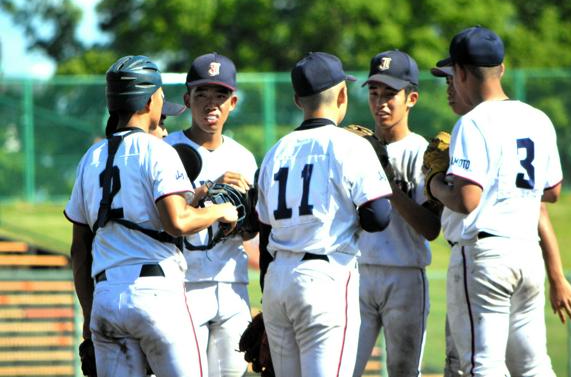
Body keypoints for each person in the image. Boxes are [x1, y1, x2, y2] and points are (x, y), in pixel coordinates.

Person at [65, 55, 238, 377]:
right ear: (148, 100)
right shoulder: (158, 149)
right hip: (155, 294)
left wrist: (90, 319)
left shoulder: (91, 157)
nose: (162, 102)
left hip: (105, 298)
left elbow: (79, 249)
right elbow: (178, 222)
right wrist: (219, 210)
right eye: (159, 96)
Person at [430, 56, 571, 377]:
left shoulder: (473, 126)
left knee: (480, 365)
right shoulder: (532, 119)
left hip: (484, 258)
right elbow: (548, 194)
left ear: (463, 76)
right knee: (532, 365)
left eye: (450, 78)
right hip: (525, 254)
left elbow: (467, 200)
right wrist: (554, 276)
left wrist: (436, 183)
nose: (449, 88)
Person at [256, 51, 393, 377]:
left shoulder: (276, 150)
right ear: (342, 94)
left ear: (297, 100)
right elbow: (379, 216)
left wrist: (267, 303)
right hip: (324, 280)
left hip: (278, 283)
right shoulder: (350, 145)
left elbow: (264, 232)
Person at [164, 52, 258, 377]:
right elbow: (160, 220)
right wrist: (204, 194)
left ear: (233, 102)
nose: (211, 104)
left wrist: (244, 218)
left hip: (233, 285)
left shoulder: (244, 158)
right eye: (202, 94)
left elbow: (251, 233)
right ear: (187, 99)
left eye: (220, 95)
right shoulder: (167, 151)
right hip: (184, 284)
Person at [352, 50, 441, 377]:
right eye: (374, 93)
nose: (381, 102)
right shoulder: (355, 148)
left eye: (390, 94)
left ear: (412, 98)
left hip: (404, 273)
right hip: (357, 272)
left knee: (403, 370)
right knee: (345, 368)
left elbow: (431, 228)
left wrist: (388, 186)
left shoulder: (422, 153)